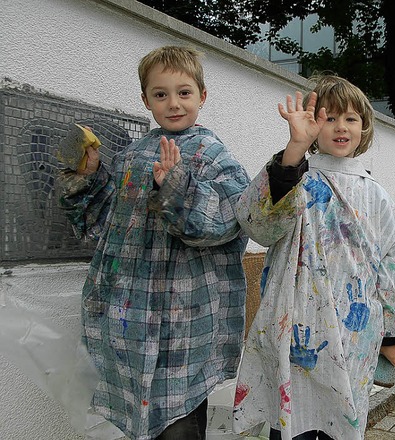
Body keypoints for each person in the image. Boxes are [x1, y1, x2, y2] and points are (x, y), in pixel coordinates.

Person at [56, 46, 250, 439]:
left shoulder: (214, 155)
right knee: (138, 413)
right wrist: (90, 177)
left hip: (185, 315)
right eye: (161, 94)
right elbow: (105, 222)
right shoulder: (131, 156)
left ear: (202, 95)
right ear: (145, 99)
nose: (173, 103)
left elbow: (231, 219)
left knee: (179, 420)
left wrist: (177, 186)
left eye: (184, 92)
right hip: (132, 312)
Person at [232, 75, 395, 440]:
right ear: (314, 125)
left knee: (338, 424)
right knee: (291, 421)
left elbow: (391, 266)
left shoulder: (377, 196)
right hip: (297, 327)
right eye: (329, 117)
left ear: (365, 127)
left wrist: (390, 334)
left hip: (354, 333)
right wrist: (294, 149)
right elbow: (256, 224)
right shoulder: (297, 177)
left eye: (351, 118)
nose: (340, 127)